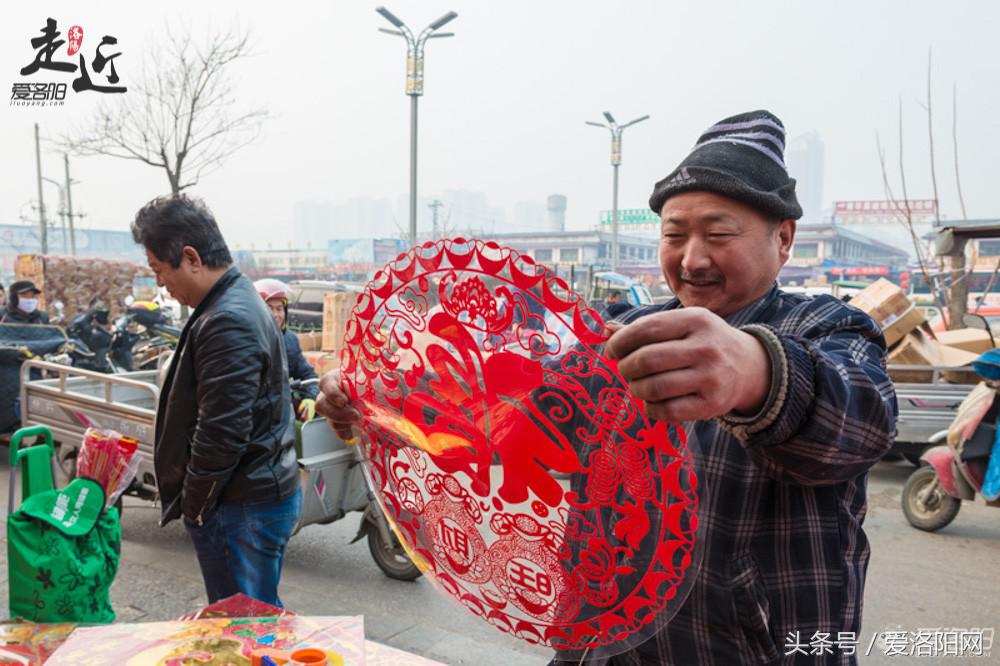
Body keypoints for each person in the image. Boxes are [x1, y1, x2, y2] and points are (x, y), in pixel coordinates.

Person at [317, 110, 896, 665]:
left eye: (719, 233)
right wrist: (376, 406)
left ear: (784, 239)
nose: (693, 258)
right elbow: (506, 422)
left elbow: (859, 420)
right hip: (601, 645)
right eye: (675, 235)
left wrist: (755, 372)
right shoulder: (616, 335)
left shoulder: (826, 329)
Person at [132, 195, 301, 607]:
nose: (160, 283)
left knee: (244, 624)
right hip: (252, 493)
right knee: (256, 614)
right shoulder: (235, 299)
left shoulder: (227, 318)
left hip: (239, 504)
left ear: (190, 258)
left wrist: (196, 507)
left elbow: (221, 432)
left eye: (158, 269)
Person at [254, 278, 319, 420]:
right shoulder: (247, 341)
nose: (276, 315)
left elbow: (308, 375)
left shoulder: (290, 340)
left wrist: (311, 397)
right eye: (269, 308)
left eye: (279, 309)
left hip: (283, 411)